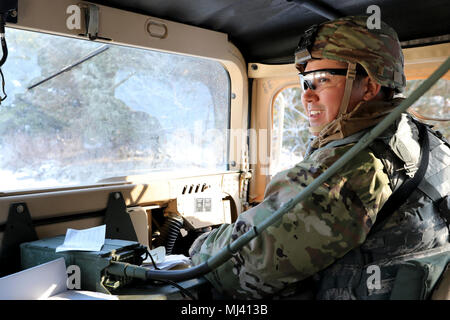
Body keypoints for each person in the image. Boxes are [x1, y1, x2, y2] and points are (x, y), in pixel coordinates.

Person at [188, 15, 450, 300]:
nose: (307, 96)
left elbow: (240, 266)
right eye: (305, 81)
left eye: (321, 80)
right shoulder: (421, 138)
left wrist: (197, 246)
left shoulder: (349, 169)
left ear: (370, 87)